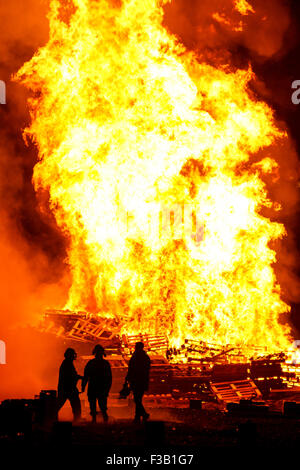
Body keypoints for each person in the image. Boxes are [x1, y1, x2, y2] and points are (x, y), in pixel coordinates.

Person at [82, 344, 112, 423]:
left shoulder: (91, 363)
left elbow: (86, 376)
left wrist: (83, 386)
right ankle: (104, 418)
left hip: (93, 387)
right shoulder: (105, 364)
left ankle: (95, 419)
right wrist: (107, 388)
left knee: (93, 404)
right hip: (101, 387)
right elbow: (109, 378)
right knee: (102, 404)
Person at [126, 341, 151, 423]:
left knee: (137, 399)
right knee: (138, 398)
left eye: (136, 346)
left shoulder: (135, 357)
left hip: (137, 380)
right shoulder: (145, 357)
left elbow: (131, 369)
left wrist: (128, 378)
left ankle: (143, 414)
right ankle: (137, 416)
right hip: (142, 380)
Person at [57, 348, 82, 422]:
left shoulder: (67, 363)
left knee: (58, 405)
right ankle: (77, 421)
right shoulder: (67, 364)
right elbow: (71, 376)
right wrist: (80, 377)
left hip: (65, 388)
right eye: (72, 354)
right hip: (68, 389)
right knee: (76, 407)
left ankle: (51, 418)